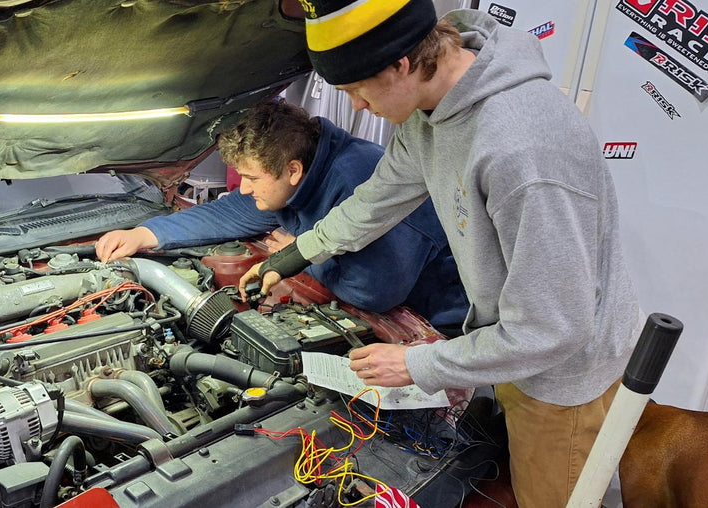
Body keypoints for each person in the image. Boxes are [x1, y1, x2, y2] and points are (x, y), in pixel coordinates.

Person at [240, 3, 644, 507]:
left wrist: (418, 362)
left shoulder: (523, 151)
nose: (358, 108)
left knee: (548, 496)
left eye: (357, 92)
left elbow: (550, 330)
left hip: (562, 376)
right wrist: (296, 254)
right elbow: (375, 201)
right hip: (510, 345)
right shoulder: (432, 113)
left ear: (401, 65)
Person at [95, 100, 468, 330]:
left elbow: (372, 291)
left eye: (251, 177)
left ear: (292, 170)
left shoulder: (357, 178)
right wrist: (146, 234)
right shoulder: (298, 174)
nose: (243, 187)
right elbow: (232, 214)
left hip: (443, 322)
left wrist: (297, 255)